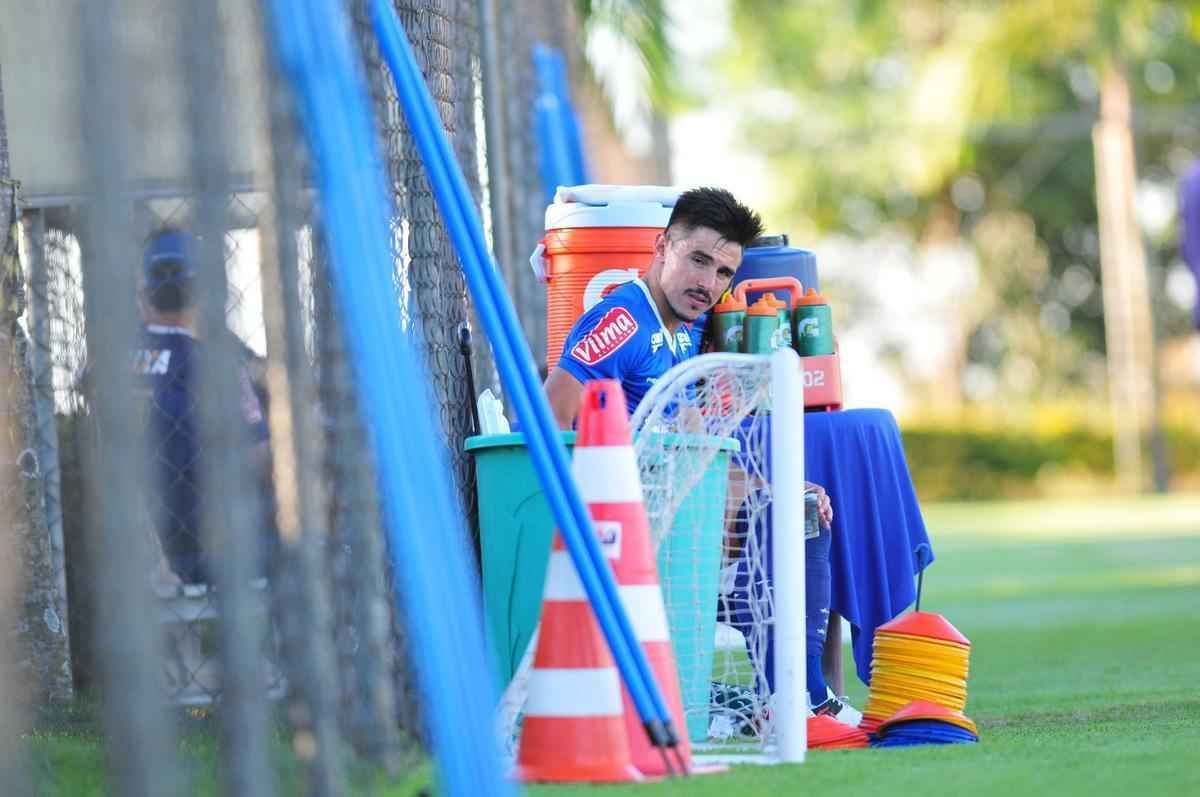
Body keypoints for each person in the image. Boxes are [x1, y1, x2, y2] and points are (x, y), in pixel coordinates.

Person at [542, 187, 858, 725]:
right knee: (786, 525)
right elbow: (551, 419)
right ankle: (797, 699)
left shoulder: (685, 330)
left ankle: (795, 696)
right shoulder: (623, 321)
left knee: (802, 511)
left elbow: (691, 444)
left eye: (723, 272)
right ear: (663, 246)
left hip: (679, 513)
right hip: (634, 530)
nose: (708, 284)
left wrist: (763, 491)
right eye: (698, 260)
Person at [134, 228, 272, 587]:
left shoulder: (119, 353)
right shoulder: (216, 358)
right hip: (227, 543)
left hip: (151, 540)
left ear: (145, 294)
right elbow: (259, 455)